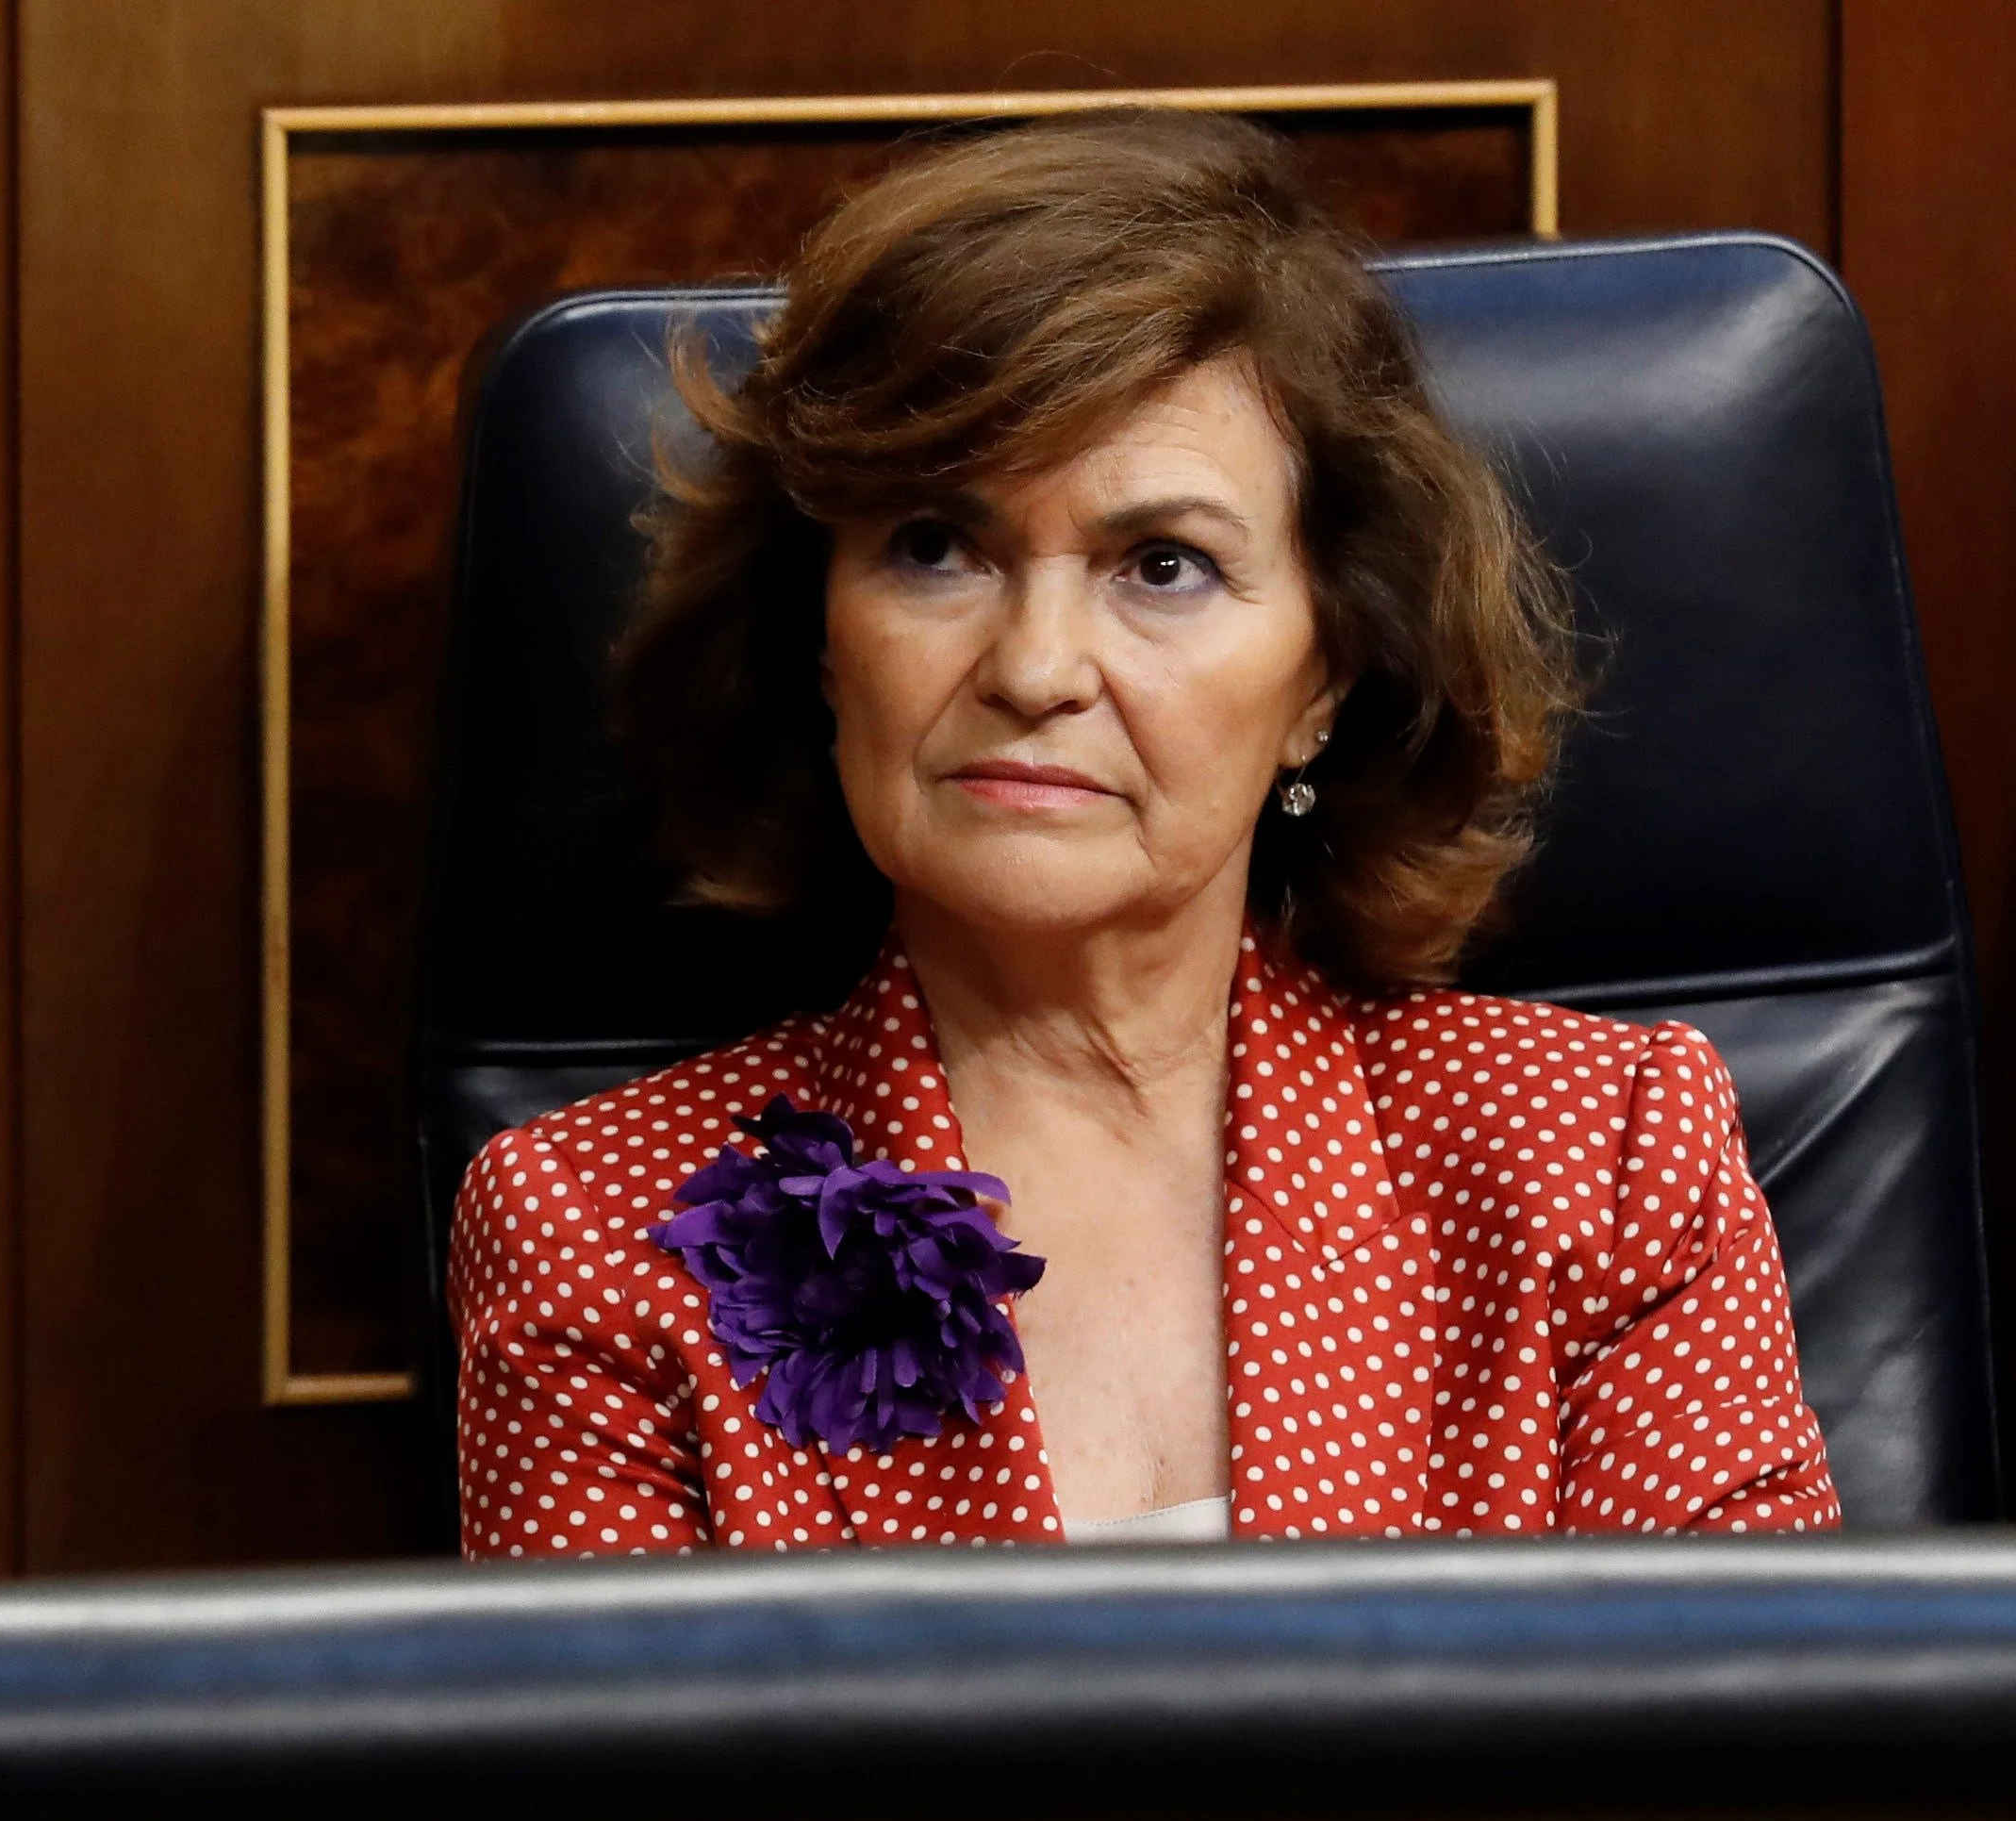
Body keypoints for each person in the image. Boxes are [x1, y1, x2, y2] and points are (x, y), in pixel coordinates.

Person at [448, 108, 1838, 1553]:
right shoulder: (596, 1235)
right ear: (819, 636)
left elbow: (1747, 1763)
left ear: (1327, 674)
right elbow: (642, 1790)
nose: (1035, 666)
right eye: (935, 546)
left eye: (1162, 565)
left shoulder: (1597, 1161)